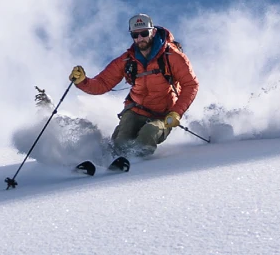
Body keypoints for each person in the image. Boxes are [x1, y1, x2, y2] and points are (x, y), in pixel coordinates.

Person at [68, 13, 199, 157]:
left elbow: (190, 84)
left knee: (148, 133)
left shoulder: (172, 56)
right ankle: (110, 162)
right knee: (120, 143)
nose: (140, 38)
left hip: (163, 115)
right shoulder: (127, 60)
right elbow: (102, 84)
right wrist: (83, 81)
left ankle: (136, 166)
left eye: (144, 33)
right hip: (136, 111)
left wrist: (176, 113)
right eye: (135, 35)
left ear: (153, 32)